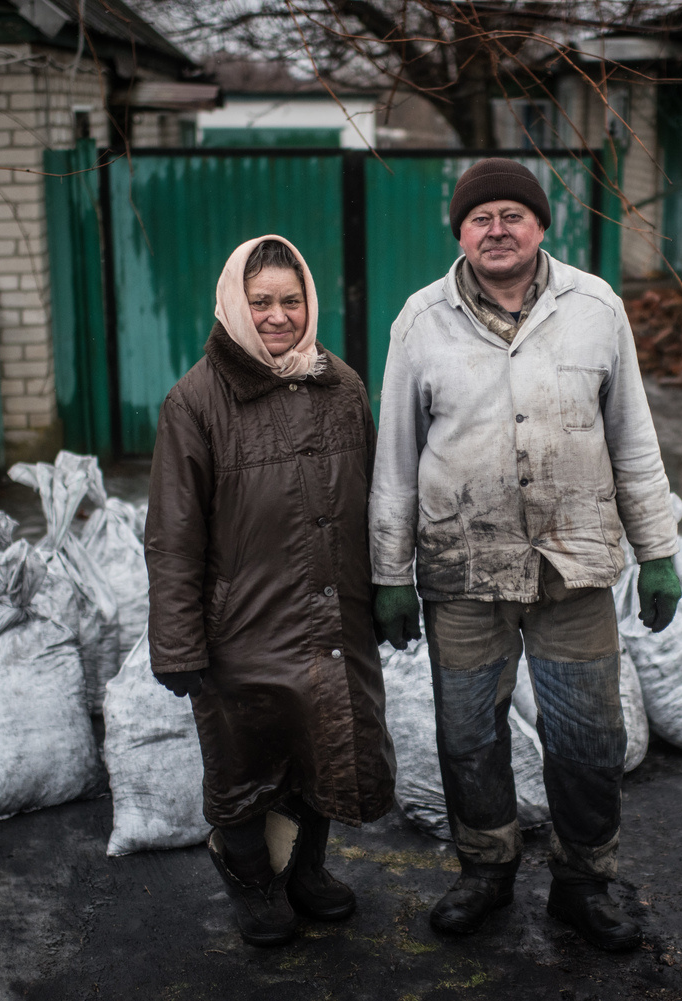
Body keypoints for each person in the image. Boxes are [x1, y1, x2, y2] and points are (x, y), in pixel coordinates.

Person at [369, 159, 681, 951]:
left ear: (542, 225)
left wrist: (658, 551)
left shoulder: (596, 308)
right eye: (481, 218)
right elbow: (394, 461)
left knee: (589, 738)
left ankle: (584, 882)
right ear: (460, 232)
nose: (497, 229)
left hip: (574, 563)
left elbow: (634, 440)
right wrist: (389, 573)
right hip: (461, 567)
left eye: (513, 214)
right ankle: (486, 869)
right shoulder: (420, 321)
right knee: (468, 735)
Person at [145, 235, 395, 948]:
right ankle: (253, 880)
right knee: (243, 765)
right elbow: (173, 535)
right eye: (261, 302)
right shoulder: (196, 400)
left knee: (325, 748)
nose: (278, 316)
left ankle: (305, 871)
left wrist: (386, 589)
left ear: (309, 303)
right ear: (234, 304)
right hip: (242, 626)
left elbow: (377, 497)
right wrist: (178, 642)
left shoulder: (341, 385)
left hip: (333, 613)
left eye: (291, 300)